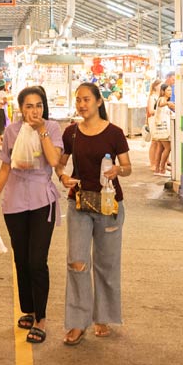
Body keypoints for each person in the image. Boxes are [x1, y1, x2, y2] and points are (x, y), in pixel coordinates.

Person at [0, 85, 65, 344]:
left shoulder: (52, 128)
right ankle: (28, 309)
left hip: (42, 200)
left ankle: (41, 318)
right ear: (20, 108)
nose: (34, 110)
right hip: (15, 203)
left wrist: (41, 131)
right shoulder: (12, 131)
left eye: (38, 105)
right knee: (21, 259)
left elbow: (53, 161)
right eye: (29, 106)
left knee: (37, 261)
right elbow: (6, 167)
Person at [59, 82, 132, 346]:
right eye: (78, 99)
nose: (81, 104)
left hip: (109, 204)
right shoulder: (70, 133)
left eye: (86, 99)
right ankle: (78, 322)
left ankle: (102, 316)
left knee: (106, 264)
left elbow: (128, 167)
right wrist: (62, 176)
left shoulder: (115, 133)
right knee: (77, 261)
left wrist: (117, 171)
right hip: (78, 203)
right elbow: (59, 163)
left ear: (99, 102)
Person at [152, 84, 174, 177]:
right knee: (168, 148)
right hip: (163, 129)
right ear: (163, 91)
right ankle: (162, 169)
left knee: (160, 148)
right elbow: (161, 103)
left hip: (159, 129)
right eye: (168, 90)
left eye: (170, 90)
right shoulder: (162, 99)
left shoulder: (163, 100)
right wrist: (168, 103)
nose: (170, 92)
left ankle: (158, 169)